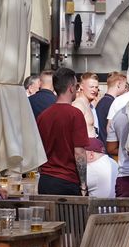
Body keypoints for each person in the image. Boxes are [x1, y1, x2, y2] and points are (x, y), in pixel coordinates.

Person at [35, 67, 89, 195]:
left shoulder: (43, 116)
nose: (77, 89)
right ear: (71, 88)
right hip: (67, 181)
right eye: (76, 86)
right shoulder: (75, 114)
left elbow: (38, 150)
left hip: (46, 180)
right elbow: (79, 153)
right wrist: (83, 184)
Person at [76, 72, 117, 197]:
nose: (94, 90)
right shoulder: (78, 105)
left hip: (98, 161)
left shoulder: (90, 105)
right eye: (91, 87)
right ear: (81, 87)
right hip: (91, 163)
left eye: (96, 87)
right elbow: (76, 137)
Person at [96, 71, 128, 145]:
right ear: (118, 84)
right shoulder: (111, 103)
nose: (126, 89)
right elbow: (110, 128)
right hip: (107, 145)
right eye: (125, 86)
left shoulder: (104, 101)